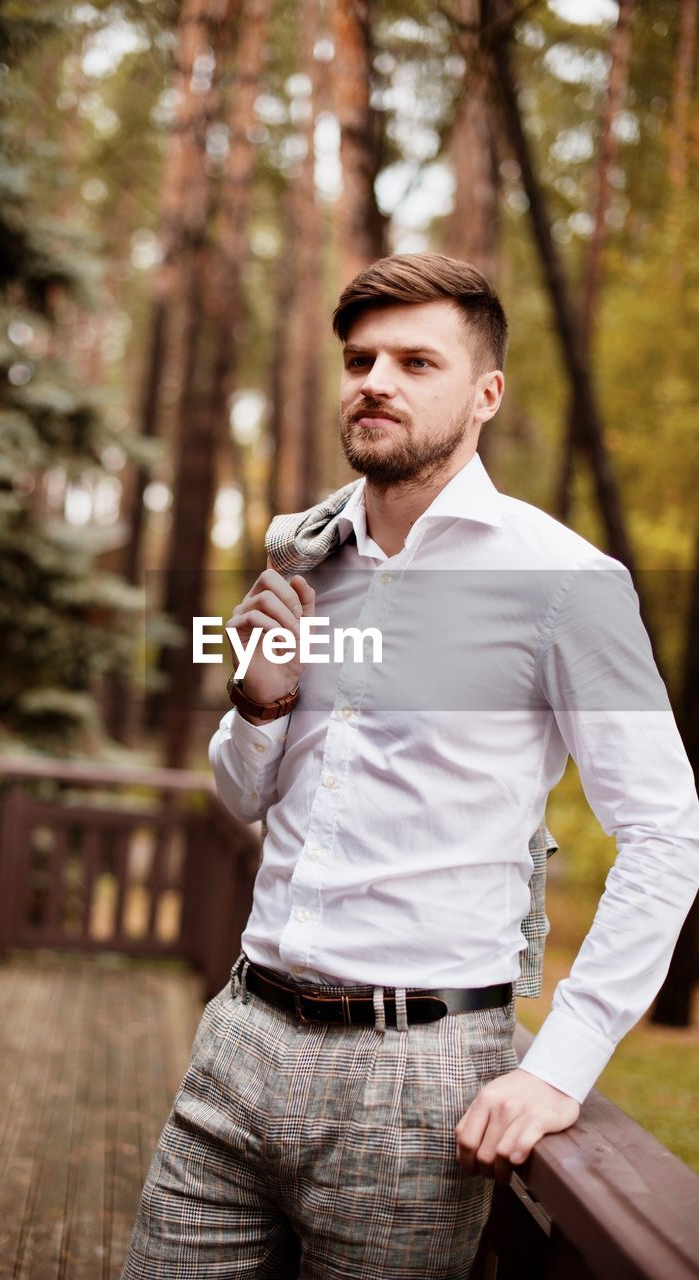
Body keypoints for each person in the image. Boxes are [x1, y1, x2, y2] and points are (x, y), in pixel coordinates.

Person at [122, 253, 699, 1280]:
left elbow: (665, 832)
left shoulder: (564, 582)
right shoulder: (303, 556)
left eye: (415, 360)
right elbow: (239, 792)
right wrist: (260, 703)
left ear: (484, 395)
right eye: (360, 357)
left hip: (419, 1080)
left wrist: (561, 1066)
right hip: (240, 1038)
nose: (375, 380)